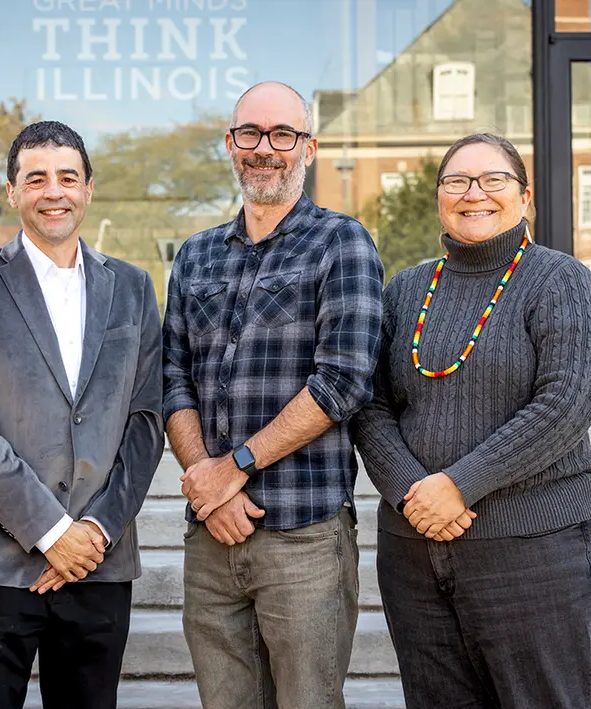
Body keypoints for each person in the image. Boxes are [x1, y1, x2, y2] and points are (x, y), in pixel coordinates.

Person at [354, 132, 591, 708]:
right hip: (414, 556)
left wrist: (459, 485)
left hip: (535, 553)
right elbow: (370, 405)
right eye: (457, 181)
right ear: (439, 198)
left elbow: (567, 401)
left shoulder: (559, 279)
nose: (475, 193)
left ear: (526, 200)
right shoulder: (405, 291)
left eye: (494, 180)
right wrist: (411, 493)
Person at [162, 81, 384, 709]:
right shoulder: (195, 255)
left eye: (282, 134)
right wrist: (206, 481)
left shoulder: (342, 243)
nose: (266, 148)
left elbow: (342, 381)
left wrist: (232, 468)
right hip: (211, 538)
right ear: (230, 145)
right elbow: (171, 377)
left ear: (307, 148)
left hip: (303, 532)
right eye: (250, 134)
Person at [0, 120, 164, 709]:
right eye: (36, 178)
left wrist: (93, 532)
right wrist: (52, 532)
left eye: (67, 177)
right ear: (12, 192)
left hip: (99, 561)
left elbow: (146, 422)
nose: (53, 191)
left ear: (88, 189)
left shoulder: (134, 288)